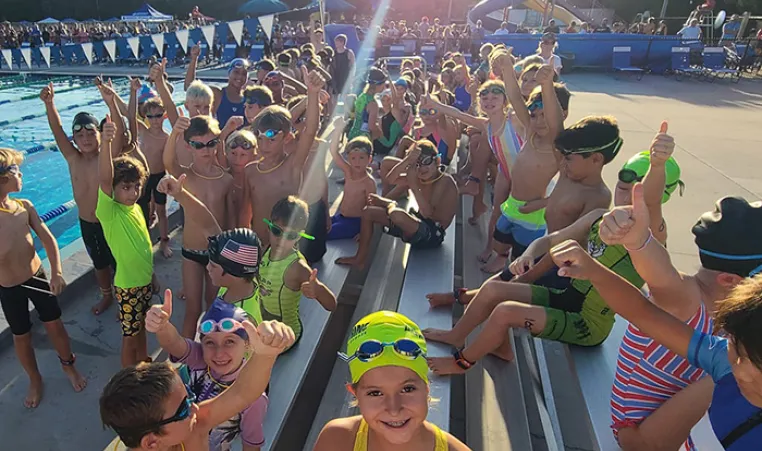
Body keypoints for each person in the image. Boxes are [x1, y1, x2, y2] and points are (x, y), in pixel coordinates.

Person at [422, 123, 675, 373]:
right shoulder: (599, 216)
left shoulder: (650, 236)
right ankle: (458, 336)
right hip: (566, 296)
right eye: (623, 188)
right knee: (494, 289)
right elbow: (553, 240)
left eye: (636, 194)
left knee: (505, 311)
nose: (627, 197)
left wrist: (658, 165)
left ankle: (462, 363)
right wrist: (531, 252)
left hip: (586, 323)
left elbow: (651, 202)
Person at [549, 194, 762, 450]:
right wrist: (637, 242)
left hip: (664, 420)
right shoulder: (689, 301)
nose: (742, 367)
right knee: (723, 377)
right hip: (639, 434)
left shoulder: (739, 325)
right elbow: (660, 279)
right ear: (731, 280)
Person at [100, 319, 295, 451]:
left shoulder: (193, 428)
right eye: (183, 409)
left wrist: (265, 354)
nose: (195, 408)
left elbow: (241, 394)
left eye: (190, 397)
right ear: (151, 442)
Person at [0, 148, 87, 408]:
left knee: (55, 325)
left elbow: (48, 238)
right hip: (8, 287)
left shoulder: (24, 206)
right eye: (16, 170)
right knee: (21, 336)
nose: (21, 173)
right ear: (2, 177)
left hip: (36, 277)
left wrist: (58, 272)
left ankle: (69, 366)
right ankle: (34, 379)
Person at [313, 311, 471, 451]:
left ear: (427, 388)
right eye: (375, 393)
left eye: (407, 389)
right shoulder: (338, 440)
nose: (394, 409)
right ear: (355, 395)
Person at [146, 292, 268, 451]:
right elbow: (174, 343)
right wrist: (162, 326)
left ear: (247, 344)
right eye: (210, 343)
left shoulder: (254, 396)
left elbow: (251, 444)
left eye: (229, 342)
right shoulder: (201, 359)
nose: (219, 353)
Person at [40, 82, 116, 316]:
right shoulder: (74, 158)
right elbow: (57, 131)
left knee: (120, 262)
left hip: (112, 223)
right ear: (73, 139)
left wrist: (111, 104)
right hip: (88, 224)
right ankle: (106, 295)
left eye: (90, 132)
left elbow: (120, 133)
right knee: (100, 264)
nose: (85, 138)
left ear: (100, 134)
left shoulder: (108, 154)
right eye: (79, 134)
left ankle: (129, 294)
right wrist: (49, 104)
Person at [164, 114, 235, 338]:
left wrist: (231, 256)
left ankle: (210, 351)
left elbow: (231, 221)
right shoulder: (186, 176)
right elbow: (168, 162)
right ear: (189, 146)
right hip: (191, 253)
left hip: (217, 255)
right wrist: (175, 132)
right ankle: (184, 360)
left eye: (211, 143)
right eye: (198, 145)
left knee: (214, 307)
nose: (206, 150)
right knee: (192, 310)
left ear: (218, 142)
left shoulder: (226, 180)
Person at [336, 140, 458, 269]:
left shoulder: (444, 181)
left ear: (437, 161)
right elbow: (390, 179)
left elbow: (428, 213)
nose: (422, 168)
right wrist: (407, 161)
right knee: (368, 211)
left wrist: (414, 185)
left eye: (426, 162)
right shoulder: (419, 178)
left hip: (433, 234)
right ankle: (359, 258)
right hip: (416, 225)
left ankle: (389, 203)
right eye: (417, 164)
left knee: (396, 214)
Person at [240, 67, 324, 249]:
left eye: (271, 140)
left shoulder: (292, 165)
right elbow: (245, 213)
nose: (264, 145)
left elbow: (310, 130)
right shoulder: (250, 170)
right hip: (259, 246)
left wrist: (312, 94)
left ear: (286, 138)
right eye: (260, 139)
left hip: (285, 251)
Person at [96, 115, 154, 367]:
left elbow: (143, 247)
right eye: (126, 188)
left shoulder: (136, 209)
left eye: (136, 187)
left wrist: (153, 276)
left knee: (142, 329)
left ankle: (142, 364)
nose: (133, 193)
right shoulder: (110, 212)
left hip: (144, 282)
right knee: (129, 338)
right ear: (114, 188)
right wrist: (106, 143)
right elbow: (104, 178)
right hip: (128, 287)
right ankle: (128, 378)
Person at [259, 196, 337, 348]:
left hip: (286, 334)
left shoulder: (298, 267)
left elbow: (332, 305)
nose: (281, 239)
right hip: (266, 325)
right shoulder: (264, 251)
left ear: (299, 236)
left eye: (291, 235)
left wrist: (318, 290)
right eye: (277, 231)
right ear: (268, 227)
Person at [129, 78, 172, 259]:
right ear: (145, 117)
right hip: (143, 178)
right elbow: (128, 115)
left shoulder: (167, 137)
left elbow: (171, 161)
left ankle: (164, 241)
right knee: (143, 211)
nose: (154, 120)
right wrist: (130, 92)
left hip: (160, 177)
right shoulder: (142, 131)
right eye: (150, 116)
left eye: (158, 116)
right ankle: (145, 242)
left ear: (164, 115)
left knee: (161, 211)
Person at [327, 120, 377, 241]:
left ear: (369, 159)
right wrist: (338, 130)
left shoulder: (368, 182)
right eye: (353, 158)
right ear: (348, 158)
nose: (357, 162)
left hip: (355, 222)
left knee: (323, 235)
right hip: (341, 217)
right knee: (317, 226)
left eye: (361, 158)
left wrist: (365, 232)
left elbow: (372, 209)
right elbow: (334, 152)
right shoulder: (348, 172)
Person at [186, 45, 249, 126]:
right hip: (219, 137)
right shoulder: (217, 94)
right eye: (236, 72)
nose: (240, 77)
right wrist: (194, 59)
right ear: (229, 73)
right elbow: (189, 87)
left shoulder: (249, 98)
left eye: (244, 74)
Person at [347, 67, 385, 141]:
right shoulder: (373, 104)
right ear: (379, 85)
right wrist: (380, 134)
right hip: (363, 138)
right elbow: (371, 126)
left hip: (353, 133)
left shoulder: (362, 96)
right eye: (384, 84)